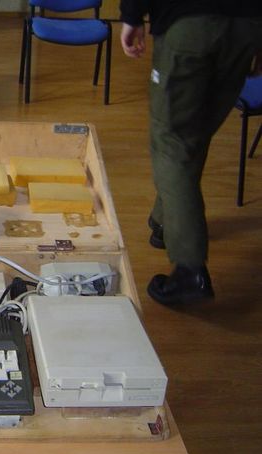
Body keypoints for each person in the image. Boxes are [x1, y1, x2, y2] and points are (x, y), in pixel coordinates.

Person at [119, 0, 262, 306]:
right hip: (247, 25)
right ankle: (165, 221)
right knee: (195, 133)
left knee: (172, 142)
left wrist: (132, 15)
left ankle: (189, 269)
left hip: (190, 22)